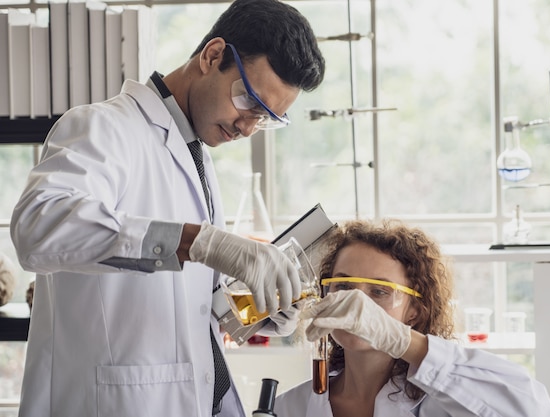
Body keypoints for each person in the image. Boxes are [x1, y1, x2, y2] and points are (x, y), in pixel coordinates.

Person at [9, 1, 325, 416]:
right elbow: (37, 227)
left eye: (266, 119)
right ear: (213, 56)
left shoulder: (198, 156)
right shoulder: (102, 126)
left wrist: (255, 312)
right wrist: (199, 241)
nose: (248, 128)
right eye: (249, 101)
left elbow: (182, 305)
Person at [274, 219, 550, 417]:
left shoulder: (444, 404)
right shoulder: (289, 407)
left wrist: (401, 340)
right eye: (344, 286)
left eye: (379, 291)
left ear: (415, 310)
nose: (354, 302)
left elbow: (533, 410)